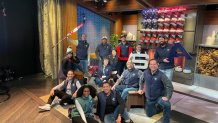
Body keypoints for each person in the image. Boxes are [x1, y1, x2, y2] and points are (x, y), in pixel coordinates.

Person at [138, 59, 173, 123]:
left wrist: (167, 96)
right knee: (149, 114)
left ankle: (166, 121)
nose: (152, 66)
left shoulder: (161, 75)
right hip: (149, 98)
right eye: (151, 64)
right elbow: (141, 79)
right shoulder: (145, 73)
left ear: (158, 65)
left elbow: (169, 86)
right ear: (149, 65)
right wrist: (140, 88)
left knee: (167, 105)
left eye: (154, 64)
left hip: (159, 97)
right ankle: (160, 108)